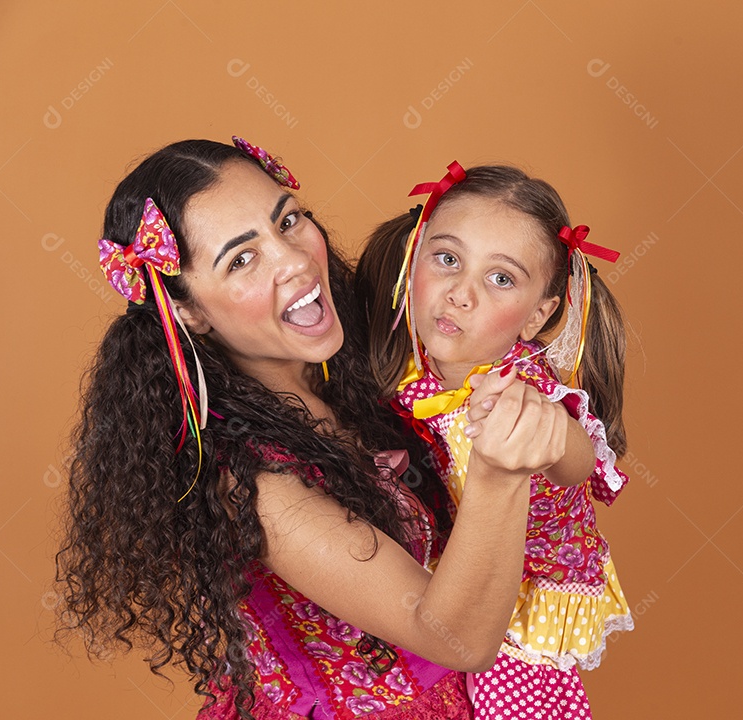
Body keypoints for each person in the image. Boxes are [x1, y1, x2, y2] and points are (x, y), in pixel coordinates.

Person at [55, 138, 574, 719]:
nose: (296, 261)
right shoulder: (253, 481)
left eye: (289, 220)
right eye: (241, 259)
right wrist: (500, 474)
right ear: (188, 310)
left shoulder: (364, 367)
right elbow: (459, 640)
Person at [355, 162, 634, 719]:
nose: (461, 293)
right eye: (448, 259)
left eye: (500, 278)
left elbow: (574, 460)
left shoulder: (523, 391)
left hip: (523, 605)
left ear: (538, 315)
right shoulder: (408, 368)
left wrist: (545, 434)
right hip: (450, 584)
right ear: (414, 260)